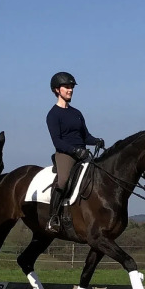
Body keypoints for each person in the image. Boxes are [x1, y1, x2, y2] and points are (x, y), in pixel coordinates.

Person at [45, 71, 103, 231]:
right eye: (67, 87)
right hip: (65, 154)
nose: (70, 90)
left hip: (82, 153)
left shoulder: (76, 113)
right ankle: (53, 218)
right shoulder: (53, 115)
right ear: (57, 90)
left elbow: (85, 136)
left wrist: (96, 140)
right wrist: (75, 151)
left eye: (71, 87)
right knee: (63, 181)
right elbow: (57, 141)